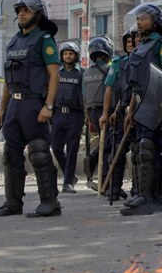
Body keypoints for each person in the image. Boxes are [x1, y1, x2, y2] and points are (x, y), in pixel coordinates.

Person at [0, 0, 61, 218]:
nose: (21, 13)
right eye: (19, 10)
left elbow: (54, 75)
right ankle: (12, 202)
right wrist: (2, 108)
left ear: (37, 15)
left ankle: (50, 203)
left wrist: (48, 106)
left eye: (26, 10)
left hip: (34, 104)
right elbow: (7, 81)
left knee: (39, 153)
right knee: (11, 155)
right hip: (14, 106)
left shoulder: (44, 40)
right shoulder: (14, 41)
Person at [121, 3, 162, 216]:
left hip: (156, 102)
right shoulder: (141, 45)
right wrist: (131, 111)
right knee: (144, 151)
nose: (139, 21)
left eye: (143, 18)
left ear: (155, 22)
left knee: (149, 148)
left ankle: (153, 198)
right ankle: (146, 195)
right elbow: (137, 83)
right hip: (141, 101)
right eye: (138, 18)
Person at [99, 29, 134, 200]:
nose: (130, 44)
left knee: (142, 152)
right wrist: (107, 113)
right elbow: (109, 88)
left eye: (133, 41)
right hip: (121, 113)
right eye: (127, 41)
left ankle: (140, 192)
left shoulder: (144, 61)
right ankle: (113, 189)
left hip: (143, 113)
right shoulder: (118, 64)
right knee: (116, 153)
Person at [51, 41, 84, 194]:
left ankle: (67, 182)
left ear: (75, 56)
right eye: (65, 54)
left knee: (72, 149)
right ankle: (70, 176)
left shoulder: (81, 74)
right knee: (56, 148)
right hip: (58, 114)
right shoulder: (57, 73)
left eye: (70, 54)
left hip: (75, 115)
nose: (68, 56)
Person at [83, 36, 114, 189]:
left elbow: (85, 100)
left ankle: (95, 162)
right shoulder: (110, 69)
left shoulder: (86, 73)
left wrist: (89, 120)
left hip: (93, 113)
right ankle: (104, 182)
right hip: (105, 111)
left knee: (105, 143)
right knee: (108, 146)